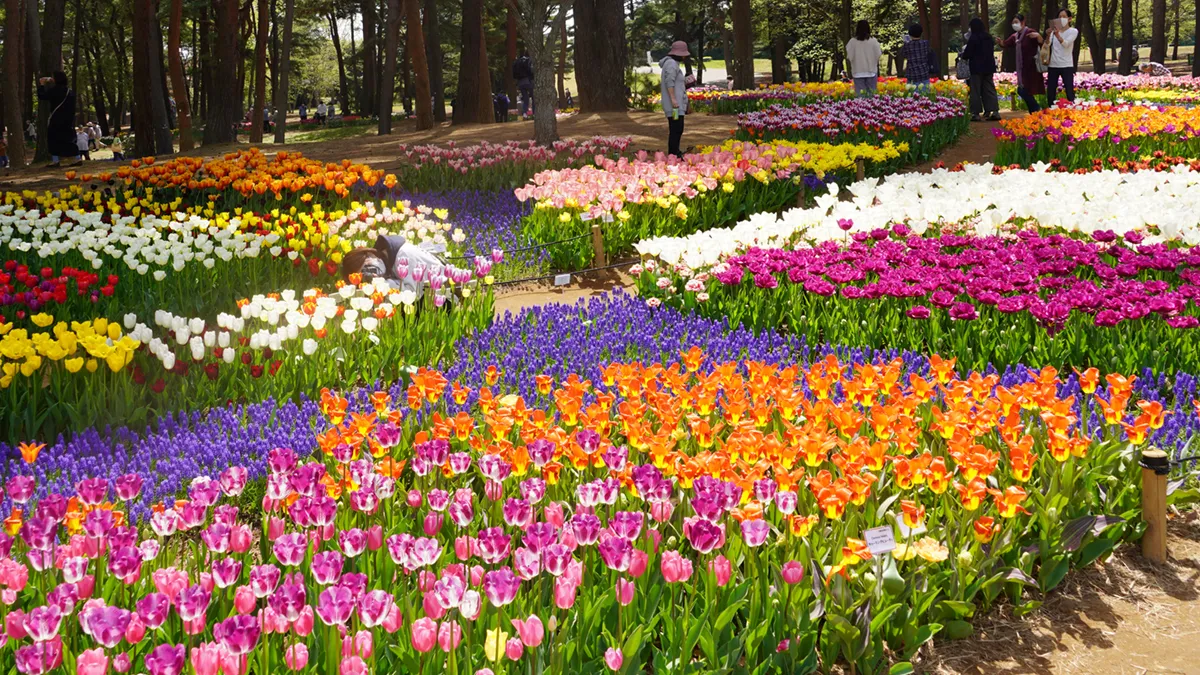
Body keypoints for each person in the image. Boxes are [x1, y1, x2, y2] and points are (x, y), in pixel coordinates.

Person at [999, 14, 1044, 113]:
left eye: (1016, 22)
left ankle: (1035, 109)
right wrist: (1000, 43)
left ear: (1023, 22)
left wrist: (1038, 36)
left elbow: (1042, 43)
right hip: (1022, 68)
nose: (1015, 25)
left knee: (1024, 90)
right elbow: (1006, 44)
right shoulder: (1015, 36)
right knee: (1022, 89)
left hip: (1031, 67)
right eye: (1013, 23)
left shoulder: (1030, 33)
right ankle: (1034, 110)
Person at [36, 71, 78, 167]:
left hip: (56, 119)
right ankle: (77, 158)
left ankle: (55, 160)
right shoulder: (69, 92)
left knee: (53, 139)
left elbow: (42, 96)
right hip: (68, 120)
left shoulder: (54, 90)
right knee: (69, 139)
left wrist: (42, 85)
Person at [962, 17, 1001, 121]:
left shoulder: (973, 38)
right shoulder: (988, 37)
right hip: (989, 67)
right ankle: (994, 111)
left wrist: (963, 56)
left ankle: (975, 113)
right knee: (989, 89)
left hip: (976, 68)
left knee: (975, 90)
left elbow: (967, 53)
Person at [660, 40, 691, 159]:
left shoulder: (672, 64)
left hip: (676, 104)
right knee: (676, 129)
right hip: (674, 105)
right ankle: (673, 154)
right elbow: (669, 82)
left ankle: (675, 152)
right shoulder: (671, 64)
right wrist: (673, 99)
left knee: (677, 128)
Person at [1046, 9, 1078, 103]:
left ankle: (1072, 110)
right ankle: (1050, 110)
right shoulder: (1053, 32)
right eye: (1059, 17)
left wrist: (1057, 35)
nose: (1061, 19)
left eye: (1064, 16)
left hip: (1066, 65)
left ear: (1069, 19)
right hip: (1053, 64)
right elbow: (1047, 44)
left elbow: (1066, 44)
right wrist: (1048, 35)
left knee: (1069, 90)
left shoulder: (1073, 31)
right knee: (1051, 91)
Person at [846, 20, 883, 94]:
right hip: (871, 71)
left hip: (857, 72)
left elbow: (850, 56)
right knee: (872, 97)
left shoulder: (852, 42)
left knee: (860, 97)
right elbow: (878, 54)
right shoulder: (873, 41)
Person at [900, 24, 937, 90]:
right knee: (924, 95)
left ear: (910, 34)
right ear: (921, 33)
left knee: (912, 97)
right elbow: (929, 53)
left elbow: (903, 54)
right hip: (924, 73)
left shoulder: (907, 45)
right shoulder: (926, 43)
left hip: (912, 74)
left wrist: (906, 42)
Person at [513, 54, 534, 118]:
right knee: (534, 97)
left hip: (520, 83)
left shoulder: (516, 62)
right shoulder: (528, 60)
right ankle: (535, 113)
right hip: (527, 81)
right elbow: (530, 70)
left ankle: (525, 113)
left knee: (525, 98)